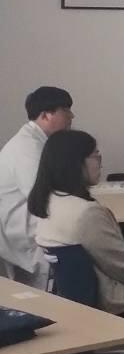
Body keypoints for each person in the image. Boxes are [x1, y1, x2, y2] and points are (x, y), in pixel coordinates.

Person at [29, 129, 124, 328]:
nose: (100, 162)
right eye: (96, 156)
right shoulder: (87, 213)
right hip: (119, 305)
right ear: (75, 162)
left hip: (80, 302)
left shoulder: (49, 202)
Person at [0, 86, 74, 283]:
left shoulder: (39, 142)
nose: (71, 116)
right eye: (65, 110)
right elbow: (43, 197)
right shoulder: (27, 148)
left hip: (33, 224)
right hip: (24, 232)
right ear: (46, 115)